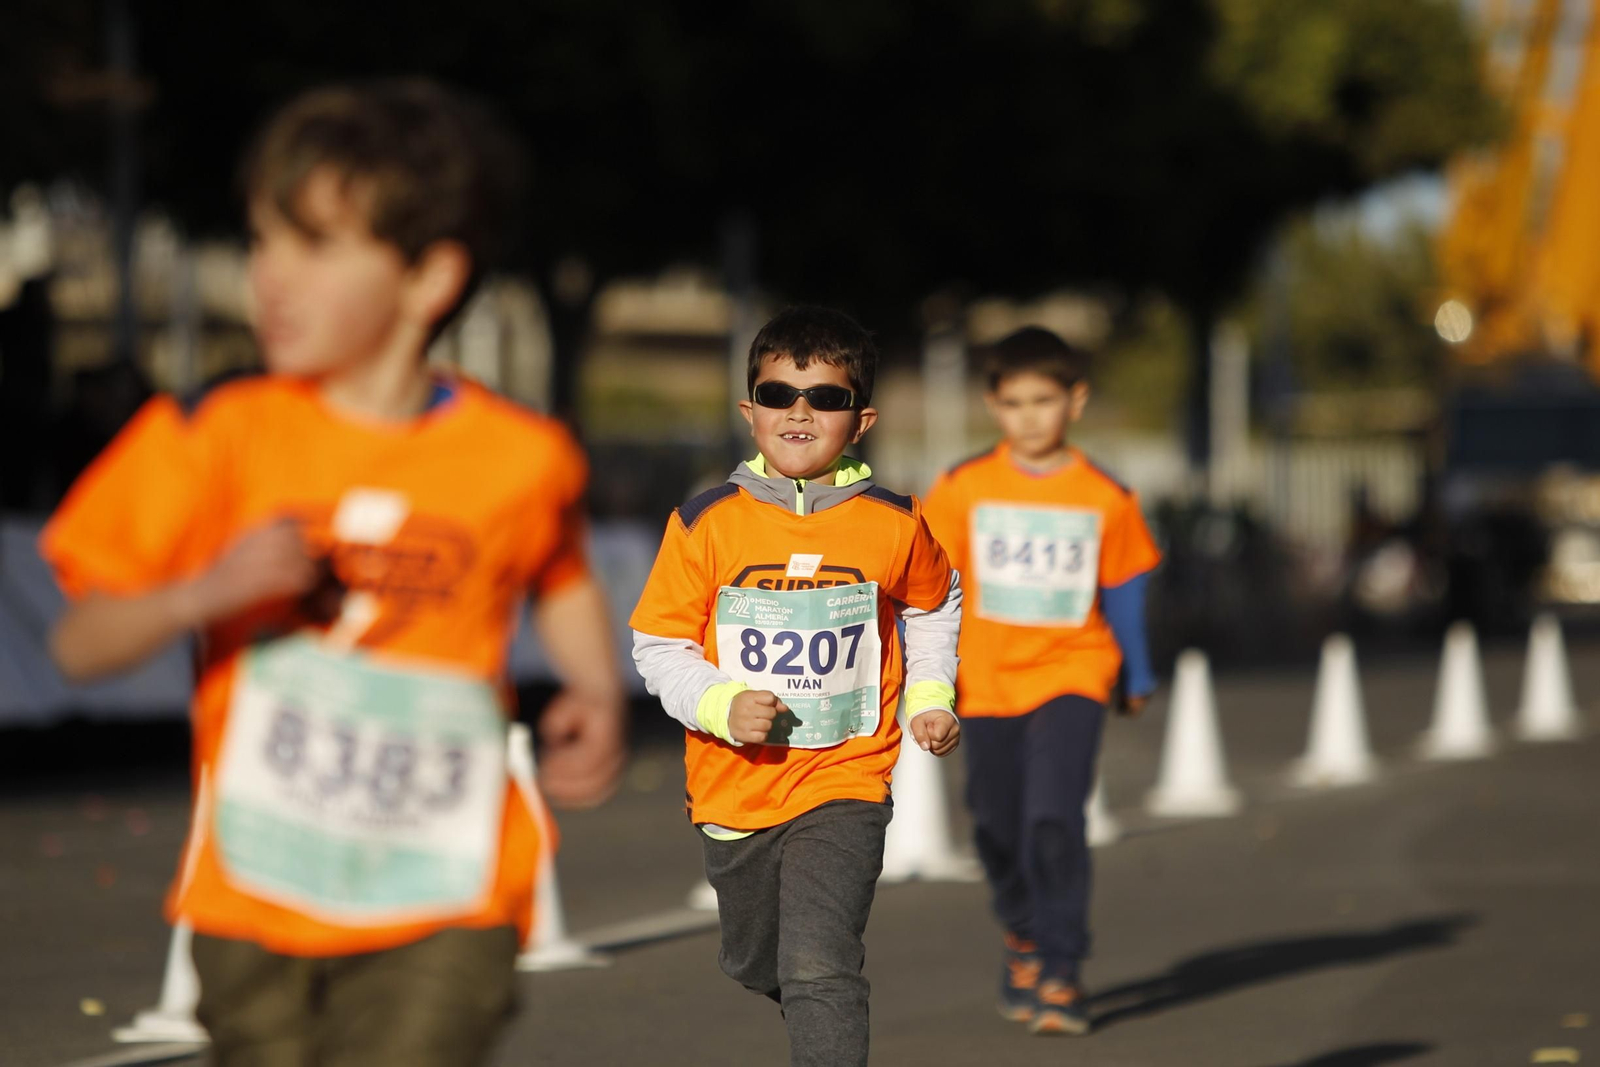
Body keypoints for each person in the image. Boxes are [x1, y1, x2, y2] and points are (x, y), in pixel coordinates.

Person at [41, 80, 626, 1067]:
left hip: (443, 884)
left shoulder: (519, 456)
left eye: (313, 245)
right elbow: (75, 644)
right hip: (260, 889)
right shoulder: (211, 437)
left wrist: (597, 689)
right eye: (262, 241)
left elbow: (558, 571)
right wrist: (204, 592)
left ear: (429, 277)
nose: (269, 277)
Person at [630, 306, 962, 1067]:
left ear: (863, 418)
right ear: (751, 412)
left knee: (820, 962)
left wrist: (931, 695)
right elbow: (659, 642)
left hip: (845, 777)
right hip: (734, 790)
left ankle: (825, 1017)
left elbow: (936, 598)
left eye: (826, 398)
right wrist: (719, 702)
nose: (800, 411)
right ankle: (812, 1000)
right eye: (778, 394)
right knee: (760, 962)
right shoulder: (706, 521)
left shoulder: (894, 521)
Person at [923, 326, 1161, 1036]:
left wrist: (1136, 670)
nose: (1029, 415)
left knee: (1055, 815)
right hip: (987, 679)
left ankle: (1060, 967)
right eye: (1014, 401)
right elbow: (932, 589)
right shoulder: (963, 489)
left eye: (1044, 399)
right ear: (993, 405)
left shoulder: (1106, 494)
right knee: (995, 824)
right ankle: (1022, 930)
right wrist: (923, 676)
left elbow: (1124, 588)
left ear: (1075, 401)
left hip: (1074, 670)